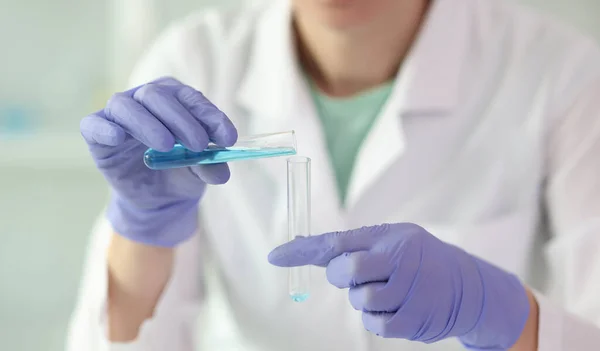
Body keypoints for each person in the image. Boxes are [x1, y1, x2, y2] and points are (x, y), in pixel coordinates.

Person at [68, 0, 600, 349]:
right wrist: (144, 228)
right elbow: (123, 338)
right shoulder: (195, 61)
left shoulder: (560, 73)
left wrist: (500, 312)